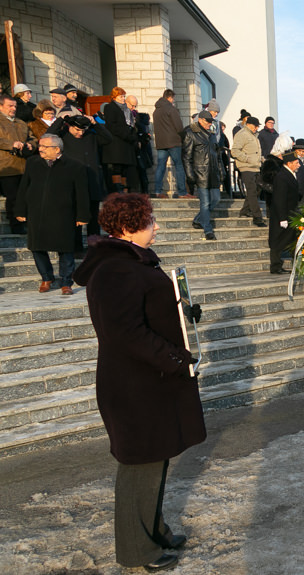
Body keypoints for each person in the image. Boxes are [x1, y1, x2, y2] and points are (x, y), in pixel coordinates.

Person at [72, 193, 206, 572]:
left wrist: (180, 313)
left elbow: (147, 311)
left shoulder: (129, 262)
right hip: (134, 387)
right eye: (150, 221)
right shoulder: (116, 269)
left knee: (155, 460)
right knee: (139, 467)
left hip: (151, 381)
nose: (157, 226)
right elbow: (124, 332)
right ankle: (136, 550)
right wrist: (176, 358)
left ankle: (155, 530)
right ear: (129, 227)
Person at [15, 134, 89, 295]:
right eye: (40, 146)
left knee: (65, 248)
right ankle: (47, 277)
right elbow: (23, 187)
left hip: (63, 213)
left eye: (44, 147)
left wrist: (82, 215)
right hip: (37, 212)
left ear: (57, 149)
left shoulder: (75, 166)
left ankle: (66, 282)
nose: (40, 149)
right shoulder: (33, 163)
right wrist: (20, 210)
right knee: (37, 247)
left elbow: (81, 193)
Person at [48, 114, 112, 248]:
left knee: (93, 217)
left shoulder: (91, 136)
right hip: (72, 183)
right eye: (77, 130)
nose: (80, 133)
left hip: (92, 181)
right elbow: (48, 137)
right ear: (70, 127)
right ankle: (76, 246)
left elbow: (108, 138)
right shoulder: (63, 136)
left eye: (83, 130)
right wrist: (60, 120)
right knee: (75, 216)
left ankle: (94, 246)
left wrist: (95, 124)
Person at [182, 109, 223, 240]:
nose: (209, 124)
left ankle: (198, 219)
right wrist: (190, 175)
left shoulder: (211, 135)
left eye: (211, 122)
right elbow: (186, 157)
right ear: (200, 120)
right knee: (205, 203)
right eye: (207, 121)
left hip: (213, 172)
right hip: (200, 173)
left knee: (216, 199)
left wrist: (222, 171)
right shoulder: (191, 133)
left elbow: (217, 155)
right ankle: (208, 230)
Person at [0, 93, 37, 234]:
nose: (13, 108)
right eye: (10, 106)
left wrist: (30, 146)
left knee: (28, 196)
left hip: (24, 166)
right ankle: (16, 227)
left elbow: (33, 138)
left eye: (15, 106)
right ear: (1, 106)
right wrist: (11, 144)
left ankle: (28, 223)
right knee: (13, 198)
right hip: (6, 167)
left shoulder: (21, 122)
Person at [268, 151, 301, 274]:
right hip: (282, 215)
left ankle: (296, 265)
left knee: (292, 240)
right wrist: (282, 218)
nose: (299, 165)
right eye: (296, 163)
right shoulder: (282, 176)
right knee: (278, 241)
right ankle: (275, 266)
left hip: (291, 214)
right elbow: (279, 198)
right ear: (289, 163)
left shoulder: (289, 174)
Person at [101, 87, 139, 194]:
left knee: (125, 169)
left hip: (126, 143)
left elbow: (130, 125)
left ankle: (124, 189)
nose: (123, 98)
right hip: (116, 143)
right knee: (116, 168)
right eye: (121, 96)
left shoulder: (126, 110)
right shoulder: (110, 107)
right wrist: (126, 135)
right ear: (114, 97)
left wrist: (132, 136)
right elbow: (111, 125)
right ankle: (117, 190)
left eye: (124, 96)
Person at [152, 89, 187, 198]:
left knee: (161, 167)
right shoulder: (171, 109)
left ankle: (158, 191)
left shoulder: (156, 111)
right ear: (170, 97)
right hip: (173, 142)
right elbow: (179, 127)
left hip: (161, 143)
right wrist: (182, 137)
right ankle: (182, 192)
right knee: (179, 166)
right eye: (173, 99)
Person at [232, 116, 265, 226]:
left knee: (257, 190)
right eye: (255, 126)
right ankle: (257, 217)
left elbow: (254, 152)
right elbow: (235, 151)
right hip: (246, 167)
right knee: (251, 191)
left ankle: (245, 211)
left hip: (255, 167)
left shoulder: (254, 136)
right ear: (249, 124)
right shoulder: (242, 134)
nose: (256, 128)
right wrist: (247, 159)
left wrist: (261, 159)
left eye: (257, 126)